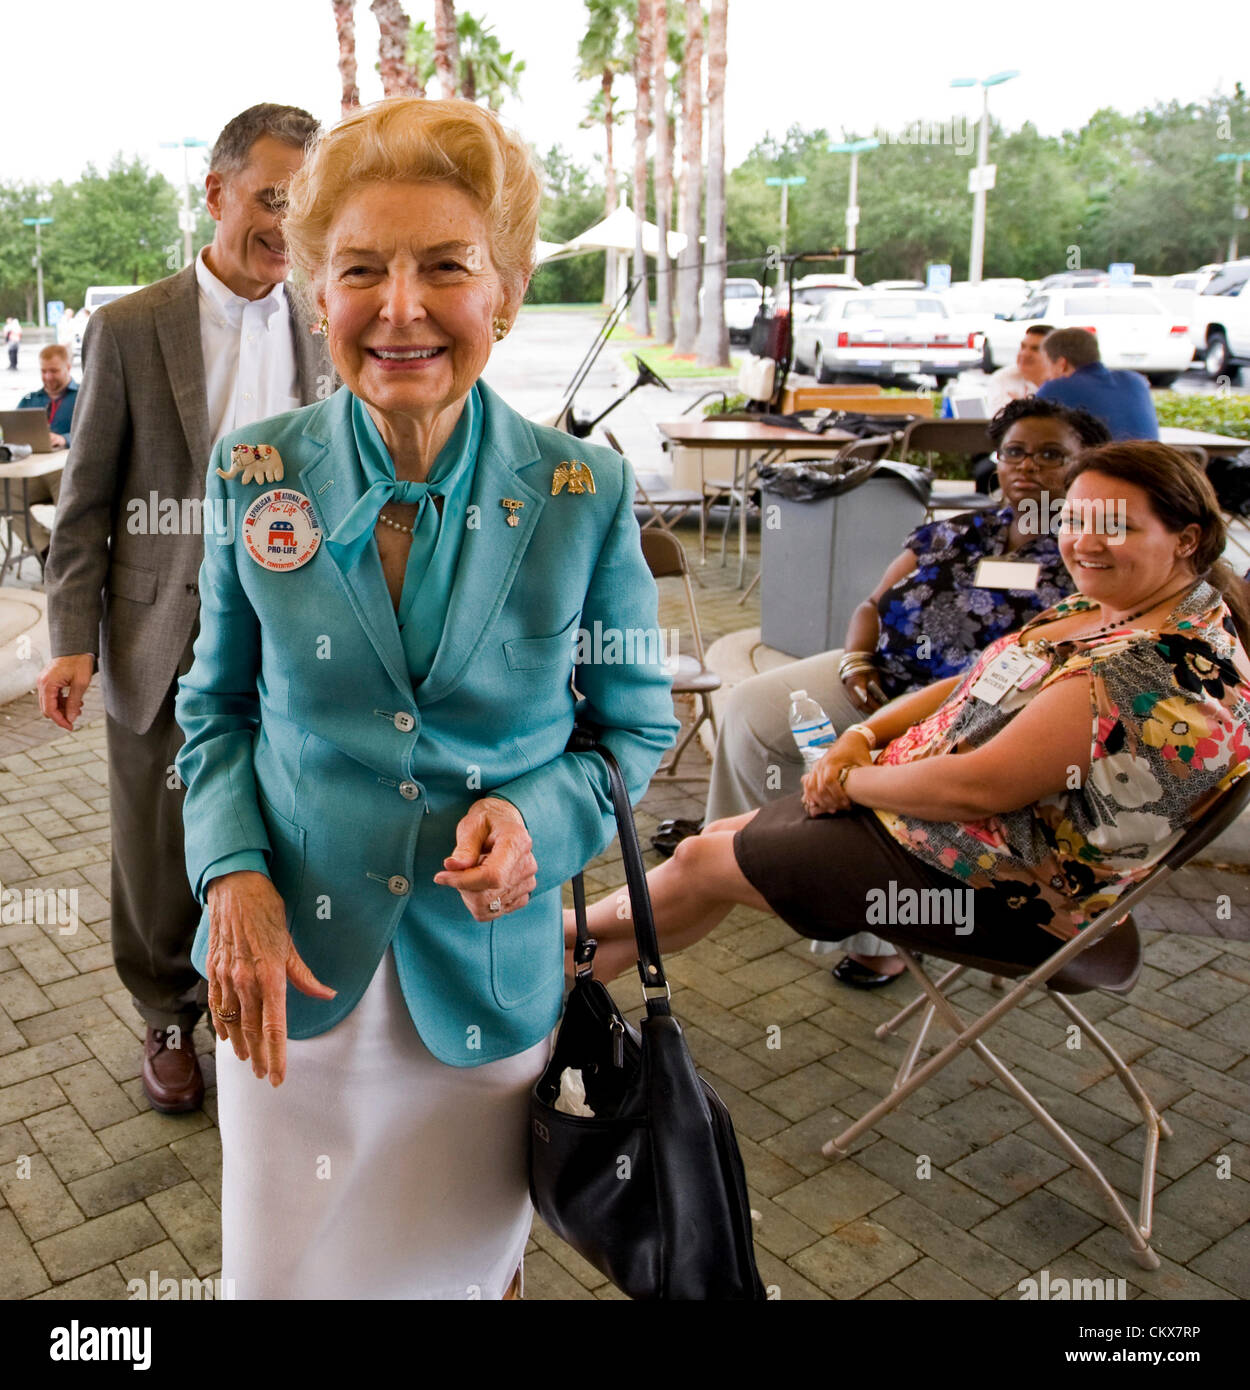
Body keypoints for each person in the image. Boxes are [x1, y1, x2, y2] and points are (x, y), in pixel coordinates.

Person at [173, 96, 677, 1301]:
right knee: (283, 1277)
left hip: (485, 982)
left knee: (461, 1276)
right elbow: (214, 713)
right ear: (317, 294)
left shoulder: (581, 489)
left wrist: (539, 824)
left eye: (443, 268)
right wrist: (232, 874)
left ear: (501, 291)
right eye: (361, 272)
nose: (398, 309)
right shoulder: (255, 474)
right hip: (285, 974)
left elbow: (633, 727)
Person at [579, 443, 1250, 989]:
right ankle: (580, 974)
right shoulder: (1113, 608)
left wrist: (848, 777)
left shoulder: (1139, 670)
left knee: (703, 858)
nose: (1082, 542)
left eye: (1116, 526)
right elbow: (979, 675)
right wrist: (863, 737)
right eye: (1073, 519)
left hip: (1006, 893)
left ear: (1187, 539)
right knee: (714, 843)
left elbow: (975, 787)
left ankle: (563, 946)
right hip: (952, 827)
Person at [35, 104, 329, 1117]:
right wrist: (69, 639)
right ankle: (166, 1013)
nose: (286, 229)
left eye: (306, 207)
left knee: (275, 823)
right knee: (156, 839)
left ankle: (241, 984)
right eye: (270, 200)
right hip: (161, 630)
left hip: (292, 632)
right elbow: (85, 503)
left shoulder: (325, 322)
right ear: (216, 194)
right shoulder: (129, 325)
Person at [698, 398, 1111, 986]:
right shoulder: (955, 530)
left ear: (1082, 465)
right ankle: (741, 853)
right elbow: (871, 603)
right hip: (879, 678)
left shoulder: (1086, 552)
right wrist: (856, 661)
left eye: (1050, 455)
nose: (1028, 467)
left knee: (874, 774)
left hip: (968, 714)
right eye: (1015, 452)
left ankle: (882, 938)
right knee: (752, 708)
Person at [1036, 327, 1159, 441]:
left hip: (1104, 463)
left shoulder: (1055, 388)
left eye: (1046, 364)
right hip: (1151, 461)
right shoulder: (1135, 380)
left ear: (1062, 364)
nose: (1047, 374)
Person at [982, 324, 1052, 416]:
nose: (1024, 354)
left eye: (1035, 349)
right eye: (1023, 347)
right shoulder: (1003, 379)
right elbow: (1003, 420)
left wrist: (1020, 407)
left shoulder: (1063, 380)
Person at [19, 343, 78, 448]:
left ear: (68, 368)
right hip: (33, 461)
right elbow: (13, 432)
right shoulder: (28, 399)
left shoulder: (84, 396)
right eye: (43, 371)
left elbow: (97, 433)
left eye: (54, 371)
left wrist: (65, 439)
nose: (48, 377)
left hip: (69, 460)